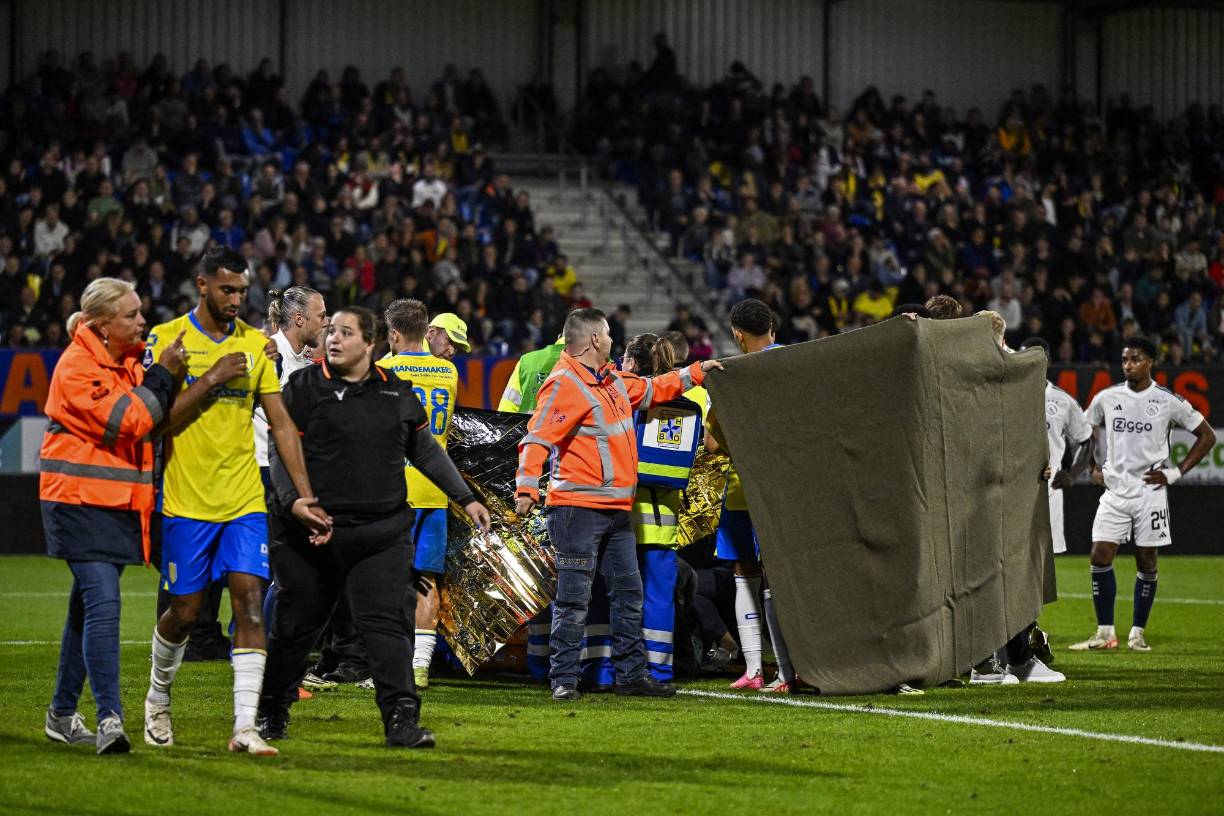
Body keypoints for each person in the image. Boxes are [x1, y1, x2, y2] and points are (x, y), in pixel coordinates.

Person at [257, 307, 490, 748]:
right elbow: (281, 448)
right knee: (296, 627)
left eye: (346, 332)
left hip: (379, 534)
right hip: (313, 533)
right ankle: (272, 710)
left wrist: (466, 497)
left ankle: (401, 720)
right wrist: (295, 502)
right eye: (331, 331)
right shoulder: (303, 388)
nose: (333, 339)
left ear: (370, 343)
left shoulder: (395, 392)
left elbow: (425, 451)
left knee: (387, 626)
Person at [142, 246, 330, 756]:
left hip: (245, 495)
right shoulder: (168, 340)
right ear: (202, 285)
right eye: (227, 289)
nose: (235, 299)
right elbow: (156, 424)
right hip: (187, 498)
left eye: (242, 291)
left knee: (250, 597)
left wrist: (304, 493)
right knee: (184, 612)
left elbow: (282, 424)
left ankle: (246, 726)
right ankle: (158, 698)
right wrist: (209, 379)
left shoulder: (254, 344)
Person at [513, 308, 723, 700]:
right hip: (577, 510)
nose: (612, 340)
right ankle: (563, 681)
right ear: (594, 339)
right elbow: (536, 438)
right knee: (574, 599)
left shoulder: (611, 380)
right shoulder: (564, 383)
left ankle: (630, 677)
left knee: (628, 595)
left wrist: (695, 373)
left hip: (615, 511)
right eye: (608, 334)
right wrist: (526, 489)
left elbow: (652, 389)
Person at [38, 278, 196, 754]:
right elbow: (128, 422)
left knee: (83, 611)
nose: (142, 320)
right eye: (131, 315)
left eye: (140, 311)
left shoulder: (126, 361)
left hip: (117, 506)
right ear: (102, 325)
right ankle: (111, 718)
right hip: (78, 502)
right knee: (104, 604)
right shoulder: (76, 366)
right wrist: (163, 375)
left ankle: (61, 715)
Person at [1070, 337, 1215, 651]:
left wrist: (1175, 472)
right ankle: (1105, 633)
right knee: (1099, 554)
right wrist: (1092, 467)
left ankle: (1137, 632)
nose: (1128, 365)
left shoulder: (1167, 400)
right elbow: (1082, 432)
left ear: (1151, 362)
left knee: (1146, 559)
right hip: (1115, 489)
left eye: (1135, 359)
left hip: (1150, 491)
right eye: (1124, 360)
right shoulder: (1107, 397)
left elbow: (1207, 435)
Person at [703, 299, 795, 692]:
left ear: (737, 335)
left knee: (745, 575)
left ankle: (755, 670)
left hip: (742, 488)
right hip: (785, 488)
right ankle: (789, 671)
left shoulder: (729, 374)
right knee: (782, 577)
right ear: (772, 327)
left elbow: (710, 444)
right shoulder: (796, 364)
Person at [376, 301, 466, 689]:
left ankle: (384, 665)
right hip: (434, 489)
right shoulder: (448, 371)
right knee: (426, 581)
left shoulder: (386, 369)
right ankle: (420, 668)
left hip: (393, 490)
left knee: (382, 580)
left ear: (395, 333)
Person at [253, 286, 328, 672]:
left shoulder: (296, 358)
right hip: (271, 473)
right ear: (299, 319)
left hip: (282, 471)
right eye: (321, 315)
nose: (326, 322)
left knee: (287, 573)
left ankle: (263, 656)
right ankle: (269, 661)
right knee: (289, 573)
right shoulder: (273, 356)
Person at [497, 333, 566, 413]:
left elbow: (506, 410)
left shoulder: (526, 361)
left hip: (528, 425)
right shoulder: (581, 361)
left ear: (559, 337)